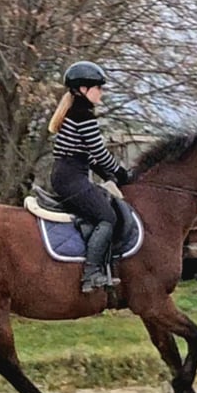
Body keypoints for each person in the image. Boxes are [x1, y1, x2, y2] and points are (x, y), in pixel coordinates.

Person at [48, 60, 133, 293]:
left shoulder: (75, 113)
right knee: (107, 217)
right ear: (83, 89)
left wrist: (107, 174)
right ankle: (91, 273)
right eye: (98, 87)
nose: (101, 93)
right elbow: (100, 152)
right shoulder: (83, 115)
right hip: (71, 179)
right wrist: (121, 173)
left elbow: (88, 156)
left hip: (68, 175)